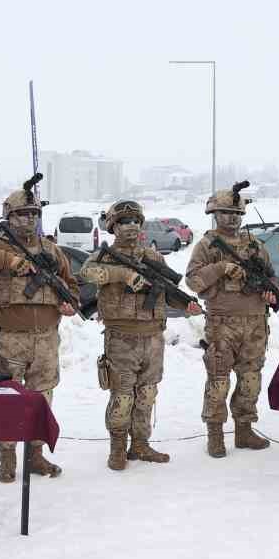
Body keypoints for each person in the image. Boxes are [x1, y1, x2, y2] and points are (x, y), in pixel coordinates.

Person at [0, 177, 77, 482]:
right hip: (12, 338)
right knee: (7, 399)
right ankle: (8, 457)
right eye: (22, 214)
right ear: (9, 217)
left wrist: (70, 304)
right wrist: (9, 261)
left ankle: (35, 456)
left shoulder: (51, 250)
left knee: (42, 399)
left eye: (34, 213)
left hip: (47, 339)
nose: (29, 219)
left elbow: (72, 286)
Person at [78, 199, 200, 470]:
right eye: (124, 222)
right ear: (113, 226)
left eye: (135, 221)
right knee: (122, 396)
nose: (131, 226)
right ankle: (117, 448)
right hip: (121, 338)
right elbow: (86, 273)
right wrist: (122, 275)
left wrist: (186, 305)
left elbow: (167, 291)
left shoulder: (153, 257)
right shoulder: (105, 256)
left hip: (153, 337)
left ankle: (141, 445)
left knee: (147, 394)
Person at [185, 182, 278, 457]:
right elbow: (193, 281)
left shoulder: (255, 245)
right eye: (226, 212)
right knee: (218, 381)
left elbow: (271, 276)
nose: (232, 218)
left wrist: (271, 292)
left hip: (255, 322)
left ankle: (244, 430)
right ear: (215, 214)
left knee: (251, 379)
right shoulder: (206, 245)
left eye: (236, 213)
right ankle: (215, 434)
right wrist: (221, 268)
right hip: (222, 324)